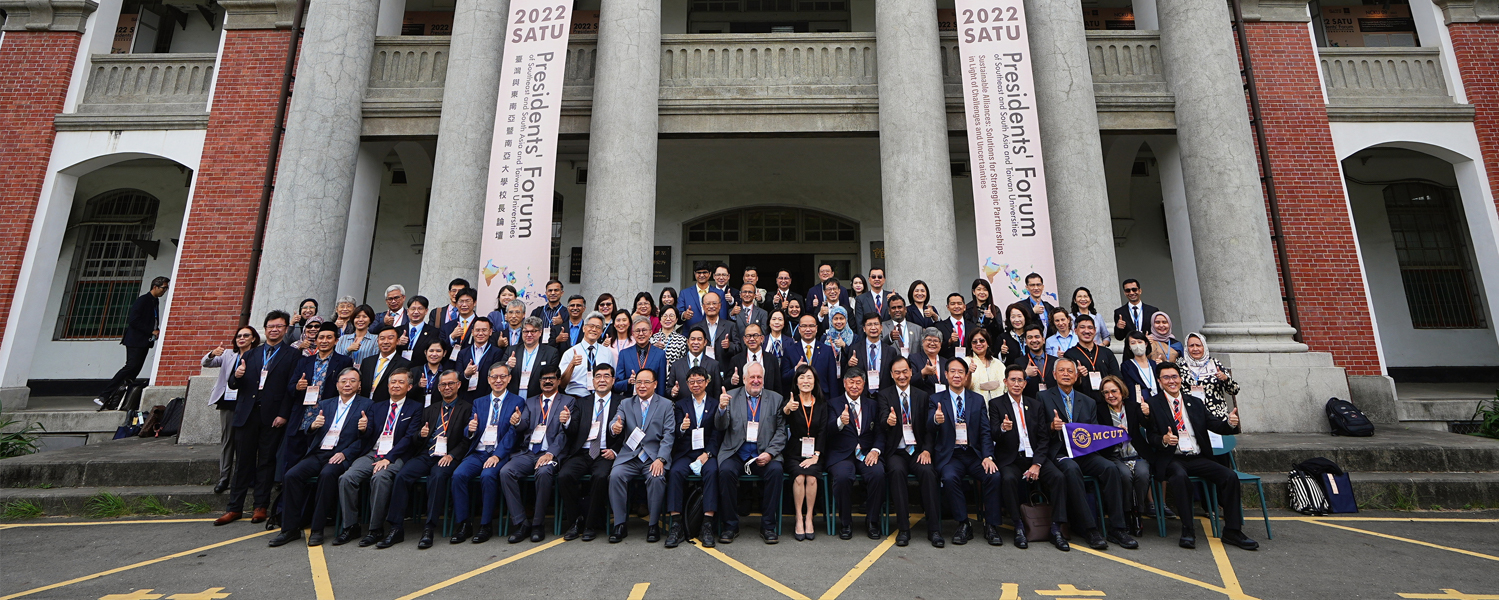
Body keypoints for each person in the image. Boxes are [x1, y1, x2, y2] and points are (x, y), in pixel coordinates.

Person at [1141, 362, 1257, 551]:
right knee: (1179, 477)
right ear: (1160, 381)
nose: (1171, 381)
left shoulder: (1194, 402)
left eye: (1174, 377)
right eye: (1166, 378)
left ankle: (1232, 531)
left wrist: (1229, 423)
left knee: (1229, 476)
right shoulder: (1153, 404)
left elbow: (1214, 425)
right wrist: (1163, 439)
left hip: (1197, 456)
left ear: (1180, 379)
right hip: (1172, 457)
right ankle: (1188, 529)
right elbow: (1150, 436)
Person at [1040, 357, 1136, 551]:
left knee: (1109, 468)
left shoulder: (1089, 401)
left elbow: (1093, 432)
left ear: (1076, 376)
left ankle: (1118, 528)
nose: (1066, 374)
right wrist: (1051, 427)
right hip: (1060, 453)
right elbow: (1037, 430)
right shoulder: (1042, 397)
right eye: (1062, 371)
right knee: (1072, 469)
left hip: (1085, 452)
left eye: (1070, 371)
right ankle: (1089, 528)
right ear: (1054, 374)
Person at [269, 368, 372, 547]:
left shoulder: (367, 405)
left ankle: (317, 529)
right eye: (344, 381)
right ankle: (290, 529)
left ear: (359, 385)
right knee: (291, 476)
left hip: (341, 455)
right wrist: (313, 427)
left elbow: (367, 439)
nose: (348, 384)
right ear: (337, 385)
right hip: (320, 452)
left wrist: (346, 452)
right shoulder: (326, 404)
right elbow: (309, 428)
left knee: (327, 475)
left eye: (352, 381)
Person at [378, 370, 472, 549]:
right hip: (426, 454)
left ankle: (429, 528)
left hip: (448, 456)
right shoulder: (430, 409)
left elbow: (467, 440)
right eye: (443, 384)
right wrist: (420, 436)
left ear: (458, 385)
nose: (447, 387)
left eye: (451, 384)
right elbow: (414, 438)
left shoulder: (467, 408)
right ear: (438, 387)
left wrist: (452, 455)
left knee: (437, 478)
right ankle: (396, 527)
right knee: (402, 476)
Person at [339, 368, 424, 547]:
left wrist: (389, 458)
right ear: (387, 385)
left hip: (397, 455)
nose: (396, 385)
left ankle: (375, 529)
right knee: (347, 478)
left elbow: (409, 438)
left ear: (409, 387)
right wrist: (363, 429)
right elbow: (369, 435)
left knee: (380, 477)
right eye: (393, 382)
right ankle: (351, 526)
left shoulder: (415, 408)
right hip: (373, 452)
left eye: (401, 382)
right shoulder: (376, 406)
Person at [924, 357, 1002, 547]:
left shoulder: (977, 399)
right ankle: (963, 523)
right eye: (953, 371)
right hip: (951, 455)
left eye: (961, 372)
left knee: (994, 475)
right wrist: (936, 419)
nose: (957, 375)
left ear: (967, 375)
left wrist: (988, 456)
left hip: (974, 453)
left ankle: (991, 525)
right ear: (946, 375)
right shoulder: (936, 399)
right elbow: (928, 426)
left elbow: (985, 431)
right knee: (949, 478)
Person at [989, 364, 1065, 549]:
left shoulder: (1035, 404)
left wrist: (1037, 464)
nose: (1016, 384)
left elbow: (1043, 437)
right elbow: (991, 434)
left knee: (1058, 477)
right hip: (1011, 458)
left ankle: (1056, 527)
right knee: (1007, 479)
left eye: (1020, 380)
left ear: (1025, 383)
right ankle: (1018, 526)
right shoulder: (996, 404)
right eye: (1012, 380)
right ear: (1005, 382)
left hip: (1035, 458)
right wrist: (1002, 428)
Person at [447, 364, 523, 544]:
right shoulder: (479, 402)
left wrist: (497, 455)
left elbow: (513, 433)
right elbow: (469, 429)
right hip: (478, 451)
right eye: (494, 377)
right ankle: (464, 524)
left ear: (509, 379)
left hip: (499, 453)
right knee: (458, 475)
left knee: (488, 476)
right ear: (488, 380)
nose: (498, 380)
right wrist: (470, 430)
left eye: (503, 377)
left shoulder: (517, 402)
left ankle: (485, 525)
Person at [500, 365, 574, 543]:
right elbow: (524, 425)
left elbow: (564, 434)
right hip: (529, 452)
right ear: (539, 382)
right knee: (506, 472)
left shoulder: (568, 401)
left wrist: (551, 453)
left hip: (551, 454)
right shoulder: (531, 402)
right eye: (544, 379)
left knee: (543, 472)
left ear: (558, 381)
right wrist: (517, 422)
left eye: (551, 378)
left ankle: (537, 524)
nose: (547, 381)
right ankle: (521, 523)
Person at [714, 362, 785, 544]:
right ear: (744, 379)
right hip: (736, 451)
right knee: (726, 471)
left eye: (759, 377)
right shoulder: (730, 396)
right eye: (752, 377)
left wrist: (770, 453)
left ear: (764, 379)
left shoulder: (776, 399)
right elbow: (721, 427)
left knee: (776, 471)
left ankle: (768, 525)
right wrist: (721, 409)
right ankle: (730, 525)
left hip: (764, 453)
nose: (755, 381)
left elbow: (781, 432)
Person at [556, 364, 625, 541]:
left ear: (613, 380)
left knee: (600, 477)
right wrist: (566, 422)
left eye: (606, 376)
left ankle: (590, 524)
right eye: (598, 376)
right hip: (583, 451)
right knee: (564, 475)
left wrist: (615, 451)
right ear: (592, 380)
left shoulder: (622, 402)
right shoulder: (582, 402)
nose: (602, 380)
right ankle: (575, 521)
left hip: (605, 452)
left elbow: (627, 432)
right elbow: (573, 431)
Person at [606, 368, 675, 543]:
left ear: (655, 384)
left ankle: (653, 525)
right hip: (630, 455)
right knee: (615, 476)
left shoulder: (666, 405)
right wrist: (615, 427)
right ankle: (620, 524)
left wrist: (661, 459)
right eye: (638, 382)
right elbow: (616, 420)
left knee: (657, 478)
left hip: (653, 456)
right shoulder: (626, 403)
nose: (642, 386)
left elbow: (669, 435)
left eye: (646, 382)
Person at [876, 357, 938, 547]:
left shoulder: (922, 395)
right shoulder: (884, 395)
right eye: (897, 372)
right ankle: (903, 529)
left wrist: (927, 450)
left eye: (905, 372)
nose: (901, 376)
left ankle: (934, 529)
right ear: (891, 375)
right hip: (897, 449)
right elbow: (881, 419)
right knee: (896, 472)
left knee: (928, 472)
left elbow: (928, 429)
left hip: (918, 449)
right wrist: (888, 421)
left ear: (911, 372)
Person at [284, 324, 354, 488]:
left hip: (326, 421)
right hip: (302, 418)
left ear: (336, 340)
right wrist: (297, 386)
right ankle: (285, 509)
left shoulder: (344, 361)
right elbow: (290, 387)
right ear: (315, 341)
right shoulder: (303, 362)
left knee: (316, 467)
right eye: (321, 338)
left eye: (329, 337)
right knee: (292, 466)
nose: (324, 341)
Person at [663, 367, 722, 548]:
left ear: (707, 382)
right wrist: (682, 427)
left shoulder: (714, 404)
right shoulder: (680, 404)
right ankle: (677, 524)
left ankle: (707, 524)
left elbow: (717, 433)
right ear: (687, 385)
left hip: (706, 452)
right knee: (674, 472)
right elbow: (675, 433)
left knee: (712, 472)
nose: (696, 385)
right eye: (692, 382)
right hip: (686, 452)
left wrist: (708, 454)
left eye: (699, 381)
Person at [827, 370, 886, 540]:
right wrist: (840, 422)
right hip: (842, 454)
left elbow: (881, 432)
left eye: (858, 382)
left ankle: (872, 521)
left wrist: (876, 450)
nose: (854, 386)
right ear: (844, 383)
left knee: (878, 474)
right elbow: (826, 431)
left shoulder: (873, 405)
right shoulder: (833, 404)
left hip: (867, 452)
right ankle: (846, 523)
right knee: (843, 477)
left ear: (864, 384)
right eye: (851, 382)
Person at [202, 326, 260, 493]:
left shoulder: (258, 355)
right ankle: (224, 477)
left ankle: (244, 476)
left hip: (249, 402)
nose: (241, 338)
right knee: (228, 440)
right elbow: (206, 363)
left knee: (246, 441)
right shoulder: (228, 354)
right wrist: (213, 353)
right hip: (228, 401)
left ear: (253, 338)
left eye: (246, 335)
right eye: (238, 336)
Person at [95, 276, 168, 407]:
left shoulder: (154, 301)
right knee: (130, 367)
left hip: (145, 341)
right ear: (155, 287)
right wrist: (151, 331)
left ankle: (118, 398)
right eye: (164, 288)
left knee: (134, 370)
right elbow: (133, 320)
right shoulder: (143, 300)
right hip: (135, 340)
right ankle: (105, 395)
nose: (165, 291)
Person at [1097, 375, 1150, 537]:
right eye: (1106, 392)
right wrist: (1112, 434)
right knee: (1125, 476)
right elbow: (1098, 434)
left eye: (1114, 391)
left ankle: (1138, 513)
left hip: (1136, 453)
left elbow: (1148, 425)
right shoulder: (1100, 410)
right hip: (1114, 455)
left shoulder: (1134, 407)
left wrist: (1147, 414)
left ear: (1122, 391)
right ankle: (1126, 513)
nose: (1110, 395)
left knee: (1142, 474)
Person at [784, 364, 828, 541]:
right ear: (796, 381)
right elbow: (782, 417)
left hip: (815, 452)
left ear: (815, 380)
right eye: (801, 377)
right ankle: (798, 518)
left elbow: (823, 431)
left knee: (811, 477)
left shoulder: (822, 404)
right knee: (799, 477)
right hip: (794, 451)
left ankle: (809, 517)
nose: (805, 381)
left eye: (809, 377)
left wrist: (816, 454)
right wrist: (787, 409)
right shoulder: (792, 402)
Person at [1178, 332, 1239, 419]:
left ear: (1204, 347)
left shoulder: (1214, 363)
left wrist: (1225, 379)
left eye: (1198, 345)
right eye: (1191, 346)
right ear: (1186, 348)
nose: (1195, 349)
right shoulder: (1180, 366)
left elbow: (1234, 390)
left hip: (1216, 416)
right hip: (1191, 416)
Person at [559, 311, 615, 397]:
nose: (594, 329)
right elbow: (561, 384)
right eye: (591, 326)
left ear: (601, 331)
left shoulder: (607, 352)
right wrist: (572, 365)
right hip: (576, 397)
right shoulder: (570, 353)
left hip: (600, 397)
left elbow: (612, 379)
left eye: (598, 327)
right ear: (584, 328)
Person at [1065, 316, 1122, 400]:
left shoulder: (1106, 352)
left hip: (1106, 400)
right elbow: (1066, 383)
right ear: (1076, 331)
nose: (1087, 331)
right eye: (1082, 327)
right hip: (1082, 402)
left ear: (1095, 331)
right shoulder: (1069, 354)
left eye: (1090, 327)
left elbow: (1117, 378)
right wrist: (1078, 376)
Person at [502, 317, 560, 398]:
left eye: (533, 331)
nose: (529, 334)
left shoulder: (551, 352)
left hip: (537, 399)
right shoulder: (511, 350)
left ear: (540, 332)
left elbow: (553, 378)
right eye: (526, 331)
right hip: (513, 398)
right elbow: (501, 373)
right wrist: (508, 365)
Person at [783, 314, 838, 397]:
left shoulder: (827, 350)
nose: (808, 329)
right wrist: (795, 369)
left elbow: (832, 381)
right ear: (799, 329)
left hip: (822, 399)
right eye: (804, 326)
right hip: (798, 399)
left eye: (811, 326)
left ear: (816, 328)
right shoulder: (790, 350)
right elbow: (784, 378)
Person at [842, 312, 897, 394]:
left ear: (881, 327)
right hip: (862, 395)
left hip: (884, 395)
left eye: (876, 324)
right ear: (864, 328)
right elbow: (848, 375)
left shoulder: (890, 351)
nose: (873, 327)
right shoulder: (855, 349)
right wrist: (849, 365)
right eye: (869, 324)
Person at [615, 316, 669, 396]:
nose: (641, 334)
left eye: (644, 330)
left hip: (652, 401)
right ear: (633, 334)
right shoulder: (624, 354)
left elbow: (661, 384)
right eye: (637, 331)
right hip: (631, 401)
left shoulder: (660, 354)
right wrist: (629, 381)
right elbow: (617, 385)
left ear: (650, 333)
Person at [725, 322, 782, 396]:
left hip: (767, 401)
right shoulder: (736, 360)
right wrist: (732, 381)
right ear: (744, 339)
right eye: (748, 336)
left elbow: (778, 386)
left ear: (762, 338)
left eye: (755, 335)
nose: (751, 339)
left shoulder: (772, 359)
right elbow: (726, 384)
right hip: (743, 402)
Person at [667, 327, 721, 400]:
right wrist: (673, 392)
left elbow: (717, 391)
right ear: (688, 342)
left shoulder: (713, 364)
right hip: (682, 408)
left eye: (699, 339)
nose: (695, 342)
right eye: (693, 339)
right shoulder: (676, 365)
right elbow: (668, 390)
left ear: (705, 342)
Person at [359, 328, 410, 403]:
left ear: (398, 341)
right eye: (382, 338)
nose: (386, 342)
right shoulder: (367, 361)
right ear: (377, 341)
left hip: (387, 406)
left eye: (390, 338)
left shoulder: (405, 364)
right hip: (365, 404)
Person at [456, 317, 500, 399]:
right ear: (472, 332)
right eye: (477, 330)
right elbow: (457, 379)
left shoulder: (497, 352)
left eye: (484, 330)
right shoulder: (462, 353)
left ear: (490, 332)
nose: (480, 333)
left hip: (487, 397)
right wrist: (466, 374)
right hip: (465, 398)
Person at [1006, 272, 1059, 337]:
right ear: (1027, 287)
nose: (1036, 288)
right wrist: (1032, 312)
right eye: (1032, 285)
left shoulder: (1048, 306)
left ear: (1043, 287)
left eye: (1038, 285)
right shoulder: (1020, 306)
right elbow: (1016, 324)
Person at [1012, 325, 1056, 399]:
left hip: (1053, 401)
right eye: (1030, 337)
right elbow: (1014, 386)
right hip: (1031, 403)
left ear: (1043, 340)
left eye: (1037, 337)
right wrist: (1025, 374)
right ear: (1026, 341)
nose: (1034, 340)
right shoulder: (1019, 362)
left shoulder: (1055, 361)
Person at [678, 261, 726, 329]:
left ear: (710, 274)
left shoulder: (719, 293)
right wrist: (684, 315)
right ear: (694, 274)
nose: (702, 275)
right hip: (691, 335)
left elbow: (723, 317)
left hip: (713, 335)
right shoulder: (685, 293)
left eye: (705, 272)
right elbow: (678, 316)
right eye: (699, 273)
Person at [1112, 278, 1159, 343]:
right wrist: (1119, 327)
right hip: (1130, 349)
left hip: (1149, 347)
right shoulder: (1119, 312)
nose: (1131, 293)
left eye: (1134, 290)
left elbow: (1158, 331)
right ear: (1125, 293)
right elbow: (1119, 337)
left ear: (1140, 291)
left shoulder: (1152, 311)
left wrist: (1152, 337)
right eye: (1128, 290)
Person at [398, 296, 445, 362]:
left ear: (426, 311)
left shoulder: (434, 332)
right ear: (408, 311)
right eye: (413, 309)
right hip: (400, 370)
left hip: (420, 370)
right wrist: (397, 343)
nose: (416, 312)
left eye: (420, 309)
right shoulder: (397, 331)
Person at [965, 330, 1006, 403]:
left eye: (982, 341)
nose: (978, 344)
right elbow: (962, 387)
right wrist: (969, 373)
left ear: (988, 343)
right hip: (975, 406)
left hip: (998, 407)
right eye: (974, 342)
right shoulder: (965, 362)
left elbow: (1006, 387)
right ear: (970, 345)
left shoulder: (998, 364)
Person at [412, 339, 455, 407]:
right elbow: (407, 393)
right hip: (416, 410)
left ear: (444, 353)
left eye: (438, 351)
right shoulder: (414, 371)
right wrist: (418, 385)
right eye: (431, 351)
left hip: (439, 409)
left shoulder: (448, 374)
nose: (434, 354)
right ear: (426, 352)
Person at [697, 291, 739, 361]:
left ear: (719, 306)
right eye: (708, 304)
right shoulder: (696, 327)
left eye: (714, 303)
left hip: (724, 368)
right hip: (703, 368)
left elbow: (738, 349)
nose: (711, 306)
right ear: (703, 306)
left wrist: (729, 346)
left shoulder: (731, 326)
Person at [935, 293, 977, 359]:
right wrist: (949, 342)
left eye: (959, 303)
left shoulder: (973, 327)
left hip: (969, 363)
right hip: (948, 363)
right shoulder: (939, 326)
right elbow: (936, 349)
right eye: (953, 304)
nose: (956, 306)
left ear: (964, 307)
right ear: (948, 307)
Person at [1121, 331, 1160, 400]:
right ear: (1129, 347)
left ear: (1146, 344)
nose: (1137, 345)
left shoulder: (1154, 364)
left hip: (1158, 400)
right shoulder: (1126, 366)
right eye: (1133, 343)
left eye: (1140, 342)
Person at [909, 328, 947, 395]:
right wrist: (923, 373)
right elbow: (910, 382)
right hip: (924, 401)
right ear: (923, 342)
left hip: (943, 400)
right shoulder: (914, 358)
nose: (932, 343)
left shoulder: (945, 362)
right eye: (929, 340)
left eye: (936, 341)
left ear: (940, 344)